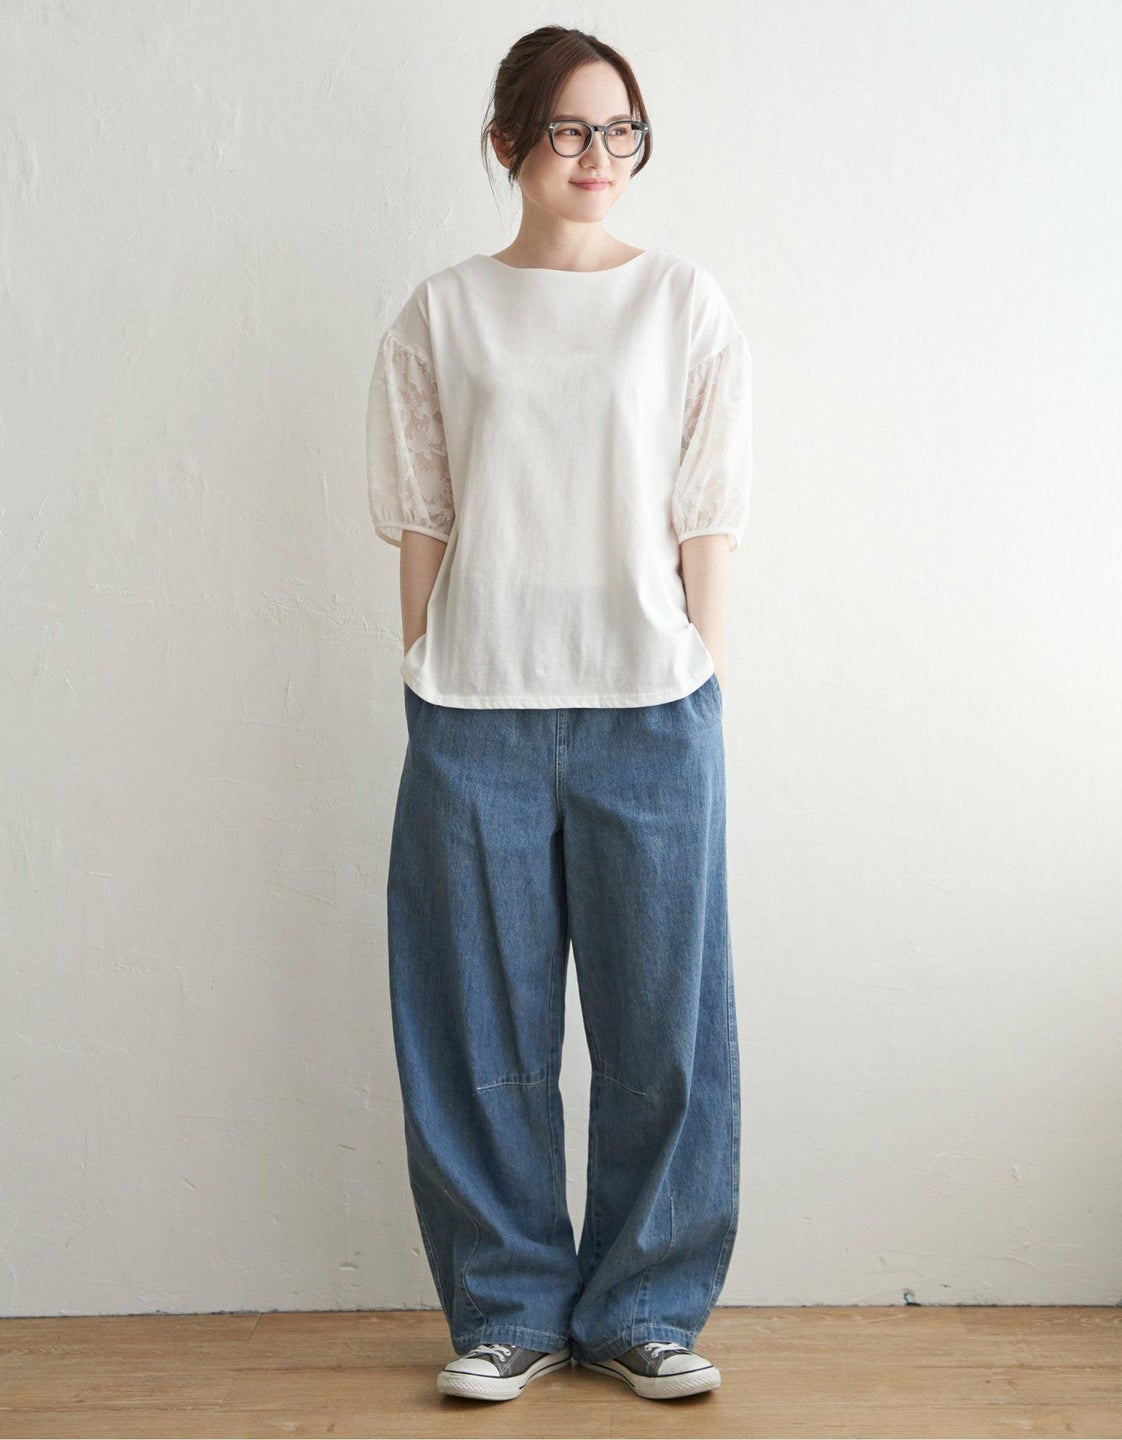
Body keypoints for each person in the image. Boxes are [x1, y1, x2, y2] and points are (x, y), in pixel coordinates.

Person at [365, 24, 752, 1405]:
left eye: (621, 130)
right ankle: (507, 1310)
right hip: (475, 710)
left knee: (664, 1029)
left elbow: (708, 513)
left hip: (651, 706)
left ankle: (645, 1308)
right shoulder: (443, 313)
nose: (599, 156)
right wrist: (426, 663)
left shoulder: (683, 302)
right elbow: (421, 509)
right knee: (477, 1031)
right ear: (508, 141)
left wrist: (703, 669)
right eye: (571, 129)